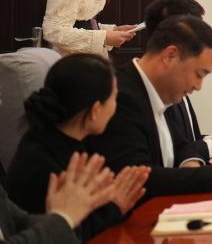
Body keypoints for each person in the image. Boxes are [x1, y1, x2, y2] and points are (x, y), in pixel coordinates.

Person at [88, 14, 212, 199]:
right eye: (199, 74)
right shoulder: (120, 95)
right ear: (170, 56)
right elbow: (140, 178)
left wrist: (192, 163)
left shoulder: (157, 90)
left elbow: (183, 146)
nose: (198, 87)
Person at [6, 54, 149, 240]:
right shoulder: (43, 165)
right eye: (114, 98)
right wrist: (114, 207)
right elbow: (68, 230)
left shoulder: (62, 139)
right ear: (95, 110)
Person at [0, 81, 125, 243]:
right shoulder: (40, 160)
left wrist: (66, 217)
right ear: (95, 108)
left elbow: (20, 222)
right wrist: (64, 218)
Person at [142, 0, 212, 163]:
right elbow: (164, 162)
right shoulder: (155, 91)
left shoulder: (175, 85)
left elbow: (184, 143)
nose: (198, 87)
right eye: (196, 29)